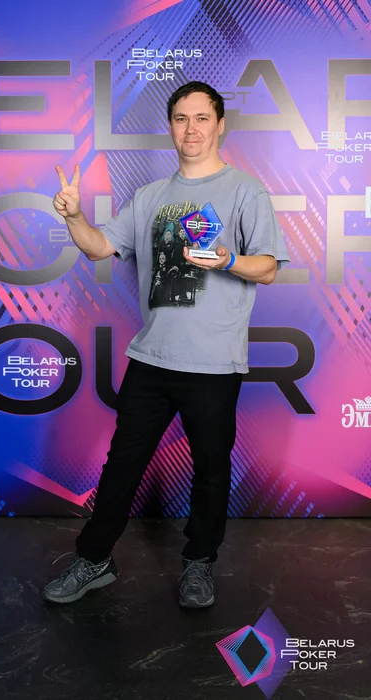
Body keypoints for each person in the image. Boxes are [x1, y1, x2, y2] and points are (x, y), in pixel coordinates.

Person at [43, 81, 290, 608]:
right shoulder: (150, 197)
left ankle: (199, 563)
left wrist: (227, 260)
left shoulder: (245, 191)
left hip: (214, 363)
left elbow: (268, 268)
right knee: (121, 465)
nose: (191, 129)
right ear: (171, 127)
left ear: (220, 125)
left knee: (210, 471)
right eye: (181, 118)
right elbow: (99, 248)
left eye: (201, 118)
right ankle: (94, 558)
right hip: (151, 359)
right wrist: (74, 216)